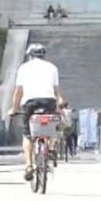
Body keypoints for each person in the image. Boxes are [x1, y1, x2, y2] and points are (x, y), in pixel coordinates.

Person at [10, 43, 62, 181]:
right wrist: (58, 106)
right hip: (49, 101)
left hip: (30, 102)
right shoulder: (52, 67)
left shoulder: (23, 68)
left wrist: (14, 109)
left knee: (27, 134)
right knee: (51, 127)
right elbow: (56, 91)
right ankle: (50, 148)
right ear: (44, 55)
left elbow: (18, 92)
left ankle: (28, 166)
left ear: (29, 56)